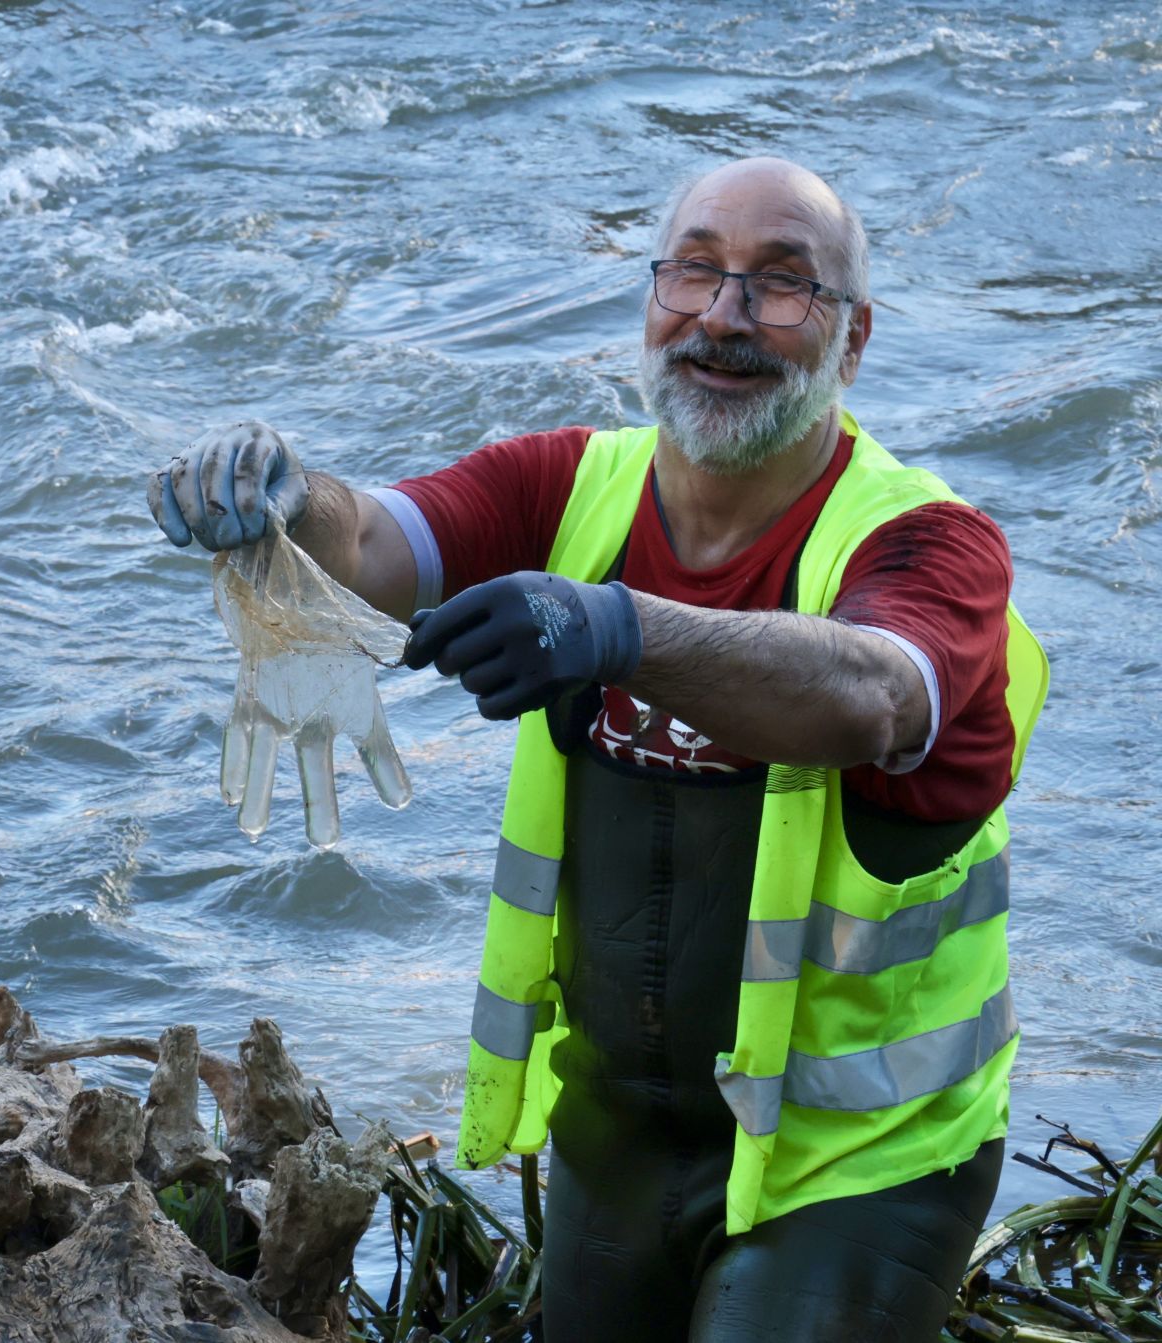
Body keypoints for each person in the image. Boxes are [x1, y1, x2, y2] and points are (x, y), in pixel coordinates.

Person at [148, 156, 1048, 1341]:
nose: (723, 317)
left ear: (854, 338)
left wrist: (617, 626)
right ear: (653, 293)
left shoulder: (929, 543)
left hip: (862, 1165)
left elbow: (871, 696)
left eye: (780, 286)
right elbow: (368, 539)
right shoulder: (570, 485)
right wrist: (280, 492)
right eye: (696, 270)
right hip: (616, 1145)